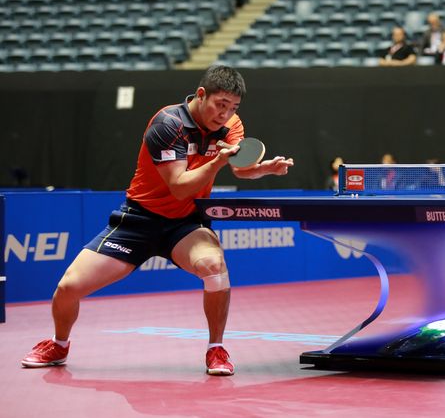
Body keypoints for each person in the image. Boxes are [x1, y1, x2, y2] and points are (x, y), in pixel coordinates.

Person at [20, 66, 296, 374]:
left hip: (186, 224)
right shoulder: (168, 124)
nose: (225, 113)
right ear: (201, 95)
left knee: (215, 268)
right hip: (138, 220)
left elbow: (240, 167)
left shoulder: (231, 123)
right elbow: (179, 187)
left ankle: (215, 349)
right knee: (68, 287)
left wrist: (264, 169)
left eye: (233, 107)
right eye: (220, 104)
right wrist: (217, 162)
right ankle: (59, 344)